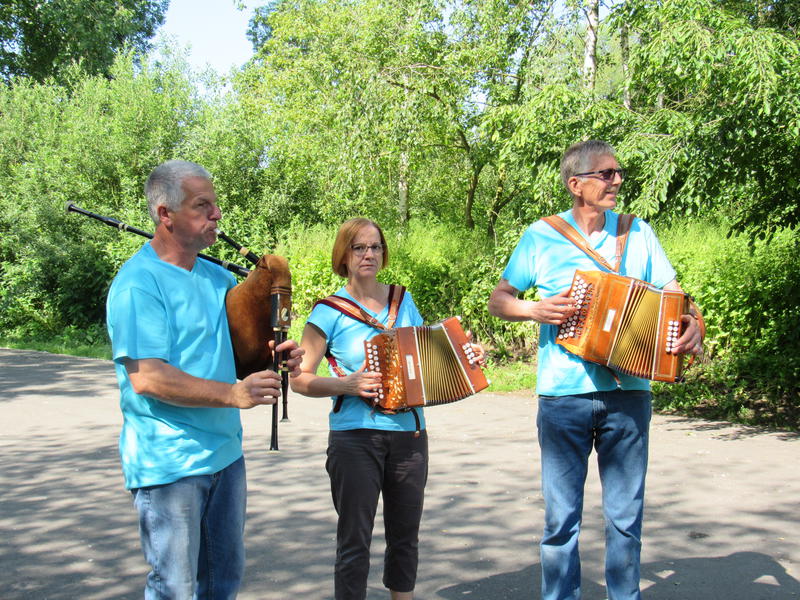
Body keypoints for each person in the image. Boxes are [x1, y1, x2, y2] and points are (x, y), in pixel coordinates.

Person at [488, 140, 703, 600]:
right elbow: (499, 300)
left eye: (617, 172)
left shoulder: (638, 232)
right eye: (605, 174)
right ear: (576, 184)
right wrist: (533, 309)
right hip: (563, 396)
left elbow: (676, 297)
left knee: (626, 518)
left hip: (629, 393)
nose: (617, 180)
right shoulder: (541, 235)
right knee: (560, 520)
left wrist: (694, 323)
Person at [105, 159, 303, 599]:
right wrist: (234, 394)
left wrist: (275, 355)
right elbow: (148, 378)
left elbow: (239, 356)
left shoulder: (217, 278)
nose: (216, 215)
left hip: (225, 457)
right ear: (165, 215)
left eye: (215, 205)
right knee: (175, 588)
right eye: (203, 206)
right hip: (169, 465)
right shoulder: (138, 284)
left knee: (222, 583)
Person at [290, 217, 484, 600]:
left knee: (405, 536)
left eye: (375, 247)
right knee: (354, 541)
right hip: (354, 439)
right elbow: (299, 379)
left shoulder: (402, 299)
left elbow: (423, 352)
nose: (369, 255)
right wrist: (345, 384)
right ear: (343, 256)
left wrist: (466, 355)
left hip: (410, 435)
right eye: (359, 247)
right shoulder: (327, 311)